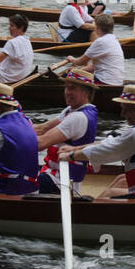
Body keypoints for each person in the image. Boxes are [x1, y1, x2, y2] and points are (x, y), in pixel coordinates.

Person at [59, 85, 135, 199]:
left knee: (109, 194)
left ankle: (87, 217)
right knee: (120, 179)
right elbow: (114, 143)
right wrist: (74, 149)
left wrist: (70, 156)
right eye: (122, 109)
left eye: (127, 110)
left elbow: (106, 152)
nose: (122, 114)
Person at [33, 67, 98, 196]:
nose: (67, 92)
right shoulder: (71, 110)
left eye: (72, 88)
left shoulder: (78, 117)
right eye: (66, 87)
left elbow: (40, 144)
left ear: (86, 92)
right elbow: (42, 128)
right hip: (52, 176)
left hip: (60, 184)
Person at [68, 13, 125, 86]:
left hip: (104, 81)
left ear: (97, 28)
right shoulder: (114, 39)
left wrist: (71, 59)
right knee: (73, 73)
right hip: (117, 82)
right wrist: (78, 71)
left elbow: (80, 62)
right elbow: (93, 67)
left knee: (66, 76)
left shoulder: (100, 41)